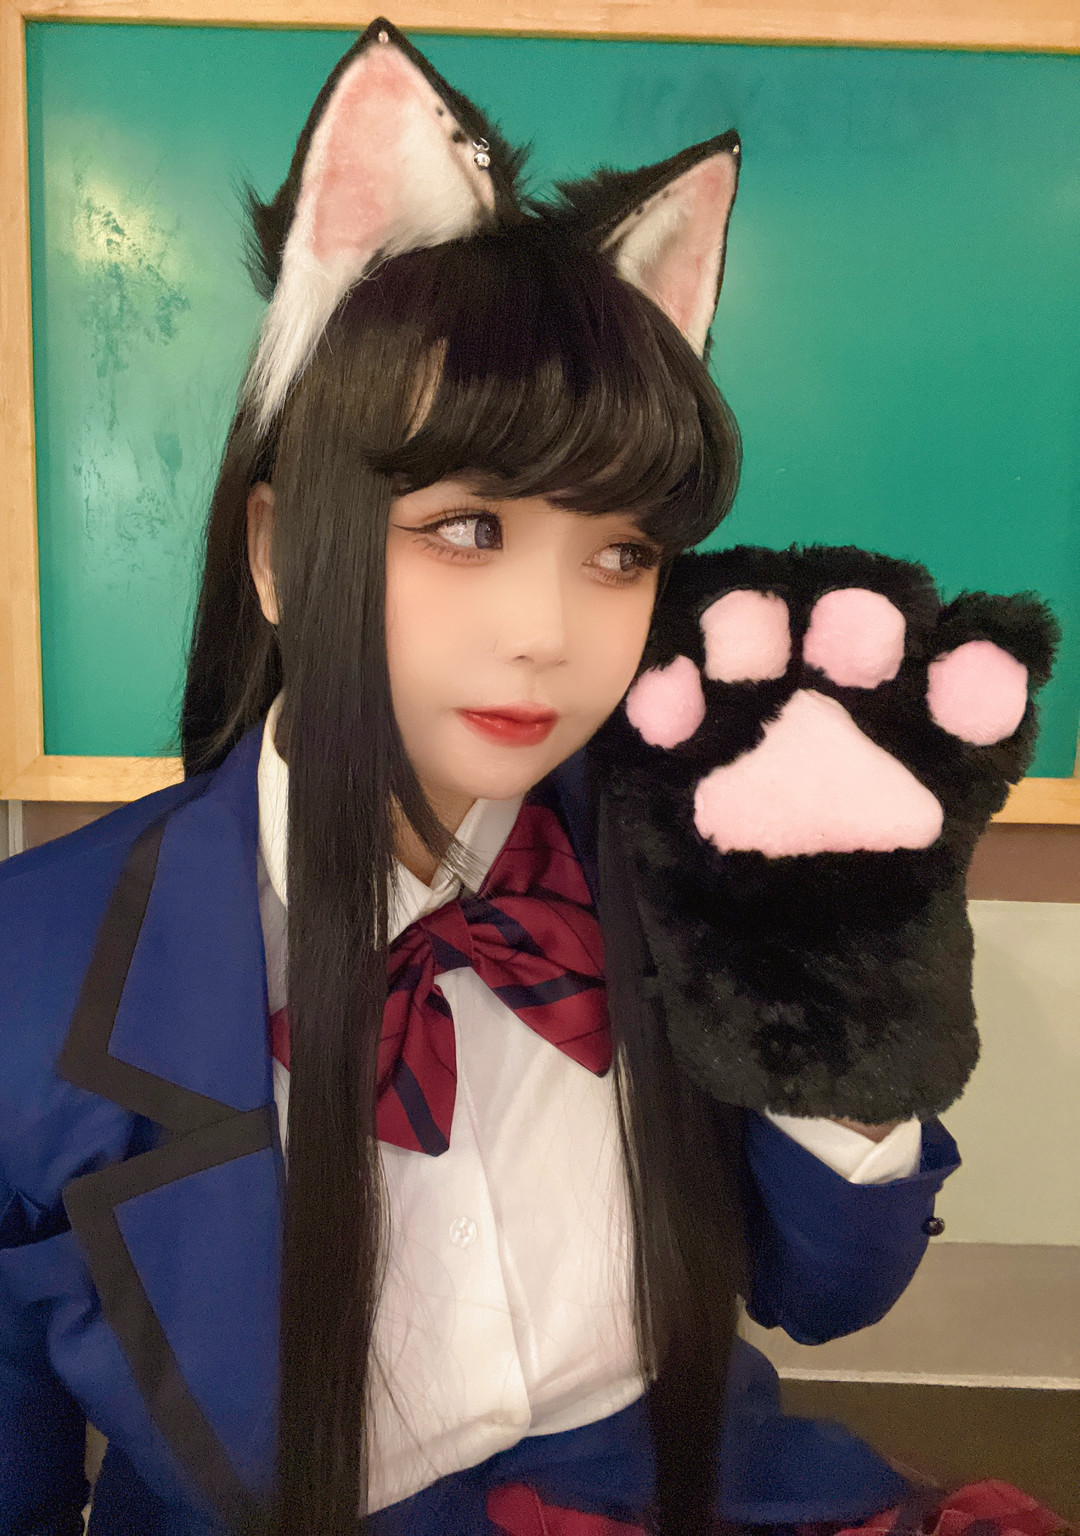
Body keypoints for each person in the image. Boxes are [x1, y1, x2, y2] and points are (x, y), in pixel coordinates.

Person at [0, 20, 1063, 1536]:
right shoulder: (33, 966)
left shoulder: (682, 856)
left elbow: (832, 1294)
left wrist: (846, 972)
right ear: (276, 550)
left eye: (621, 553)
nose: (552, 635)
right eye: (468, 527)